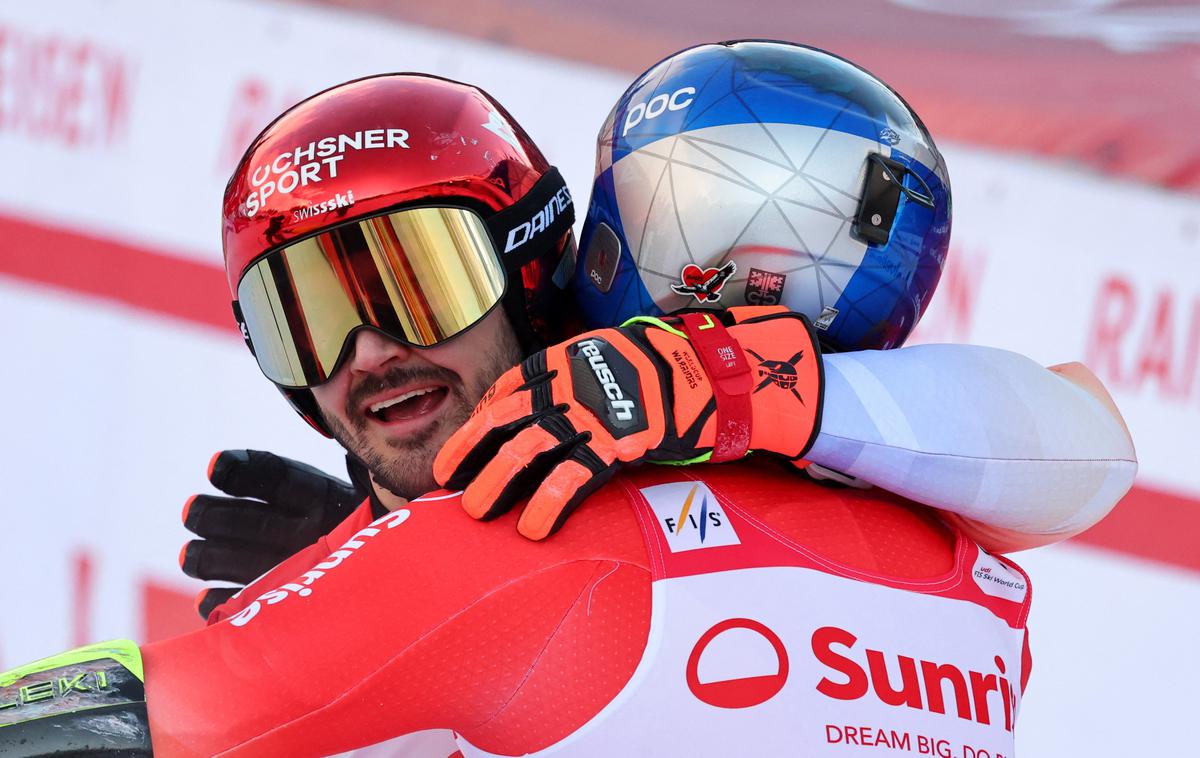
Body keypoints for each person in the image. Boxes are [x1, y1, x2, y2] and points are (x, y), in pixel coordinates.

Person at [0, 43, 1135, 756]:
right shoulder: (981, 577)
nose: (367, 348)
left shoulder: (507, 559)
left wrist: (390, 590)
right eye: (301, 313)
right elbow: (1081, 448)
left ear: (556, 260)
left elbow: (117, 718)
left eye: (418, 275)